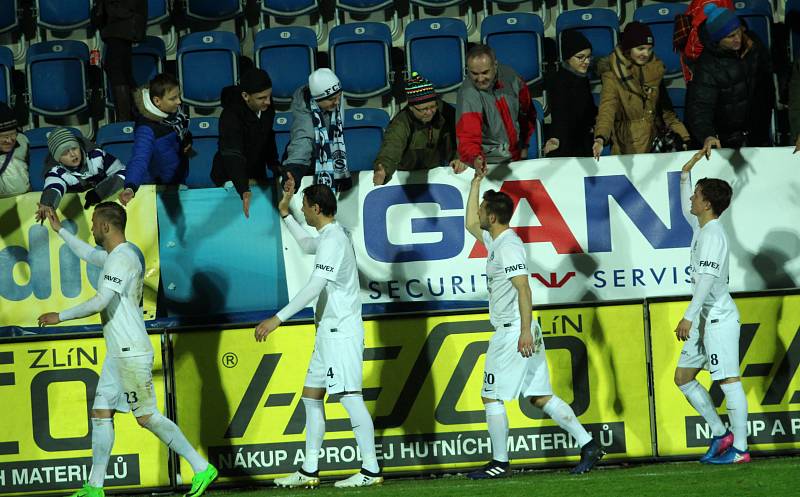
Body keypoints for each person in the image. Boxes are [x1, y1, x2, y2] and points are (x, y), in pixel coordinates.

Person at [36, 202, 218, 497]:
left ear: (105, 227)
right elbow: (88, 254)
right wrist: (60, 231)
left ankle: (200, 467)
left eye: (94, 222)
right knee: (101, 412)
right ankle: (94, 488)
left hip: (130, 350)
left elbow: (100, 301)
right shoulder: (123, 252)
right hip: (118, 352)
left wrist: (60, 316)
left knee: (146, 417)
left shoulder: (121, 260)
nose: (92, 227)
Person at [462, 167, 605, 479]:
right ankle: (589, 444)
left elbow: (523, 287)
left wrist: (525, 331)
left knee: (491, 395)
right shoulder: (496, 240)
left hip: (514, 331)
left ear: (494, 217)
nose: (479, 214)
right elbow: (469, 222)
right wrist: (475, 183)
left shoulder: (509, 245)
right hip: (521, 329)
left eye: (483, 210)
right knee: (539, 396)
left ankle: (499, 462)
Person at [255, 178, 381, 488]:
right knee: (312, 397)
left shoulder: (335, 240)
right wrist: (285, 214)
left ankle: (371, 469)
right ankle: (310, 469)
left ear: (316, 208)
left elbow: (315, 286)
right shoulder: (328, 236)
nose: (302, 209)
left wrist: (278, 319)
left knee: (350, 397)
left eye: (304, 206)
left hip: (341, 331)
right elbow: (306, 244)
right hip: (328, 330)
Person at [674, 148, 750, 464]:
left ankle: (741, 450)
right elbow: (682, 206)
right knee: (683, 377)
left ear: (707, 204)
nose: (691, 198)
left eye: (696, 195)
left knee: (728, 379)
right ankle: (721, 434)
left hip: (716, 318)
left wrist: (688, 317)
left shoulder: (713, 235)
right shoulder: (702, 229)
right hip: (705, 318)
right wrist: (685, 172)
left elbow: (705, 281)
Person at [593, 22, 691, 160]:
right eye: (640, 48)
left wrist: (684, 137)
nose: (646, 53)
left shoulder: (655, 72)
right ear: (628, 49)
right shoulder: (612, 76)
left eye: (649, 49)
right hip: (628, 149)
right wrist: (600, 138)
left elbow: (667, 112)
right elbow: (607, 109)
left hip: (655, 146)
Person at [685, 4, 774, 150]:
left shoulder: (753, 45)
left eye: (738, 32)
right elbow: (700, 106)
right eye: (730, 36)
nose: (738, 39)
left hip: (757, 133)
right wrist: (707, 135)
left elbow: (767, 83)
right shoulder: (707, 66)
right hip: (725, 140)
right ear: (717, 40)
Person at [210, 68, 279, 218]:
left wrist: (274, 165)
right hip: (230, 176)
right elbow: (232, 153)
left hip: (255, 171)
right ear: (245, 96)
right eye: (261, 98)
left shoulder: (266, 105)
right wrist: (243, 188)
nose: (268, 102)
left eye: (269, 96)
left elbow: (268, 136)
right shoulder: (230, 116)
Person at [455, 44, 536, 172]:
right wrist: (475, 158)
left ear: (495, 66)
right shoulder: (468, 94)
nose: (480, 79)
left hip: (516, 158)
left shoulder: (512, 77)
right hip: (489, 164)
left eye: (485, 72)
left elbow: (527, 112)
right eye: (474, 73)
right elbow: (468, 136)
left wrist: (524, 144)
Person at [373, 72, 459, 185]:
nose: (429, 112)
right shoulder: (400, 123)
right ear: (411, 108)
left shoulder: (445, 112)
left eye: (433, 106)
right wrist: (383, 169)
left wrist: (458, 157)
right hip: (407, 176)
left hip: (436, 174)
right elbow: (391, 148)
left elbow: (459, 137)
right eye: (423, 109)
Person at [119, 73, 191, 205]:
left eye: (178, 96)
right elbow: (139, 159)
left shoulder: (174, 115)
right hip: (157, 192)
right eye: (173, 98)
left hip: (177, 182)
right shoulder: (146, 129)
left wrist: (187, 141)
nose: (179, 101)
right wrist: (130, 187)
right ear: (157, 101)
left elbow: (182, 133)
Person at [281, 68, 351, 193]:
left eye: (339, 96)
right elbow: (303, 142)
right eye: (331, 99)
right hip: (307, 161)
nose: (337, 102)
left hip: (327, 156)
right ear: (317, 100)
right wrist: (293, 173)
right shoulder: (306, 115)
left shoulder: (334, 97)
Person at [34, 128, 125, 221]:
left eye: (74, 148)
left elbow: (123, 172)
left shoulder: (97, 156)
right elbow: (53, 187)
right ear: (58, 159)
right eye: (65, 152)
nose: (73, 154)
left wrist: (100, 192)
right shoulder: (56, 172)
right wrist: (47, 204)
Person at [543, 31, 597, 158]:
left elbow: (589, 110)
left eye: (588, 57)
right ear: (568, 57)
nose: (586, 61)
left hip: (582, 142)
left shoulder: (581, 78)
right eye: (580, 57)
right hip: (567, 147)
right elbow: (560, 114)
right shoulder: (560, 81)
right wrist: (555, 137)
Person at [93, 0, 148, 121]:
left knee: (117, 70)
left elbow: (126, 8)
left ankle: (126, 119)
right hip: (119, 24)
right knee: (123, 71)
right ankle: (139, 115)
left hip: (121, 23)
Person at [0, 102, 29, 198]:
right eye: (3, 136)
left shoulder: (22, 142)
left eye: (12, 134)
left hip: (22, 201)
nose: (9, 140)